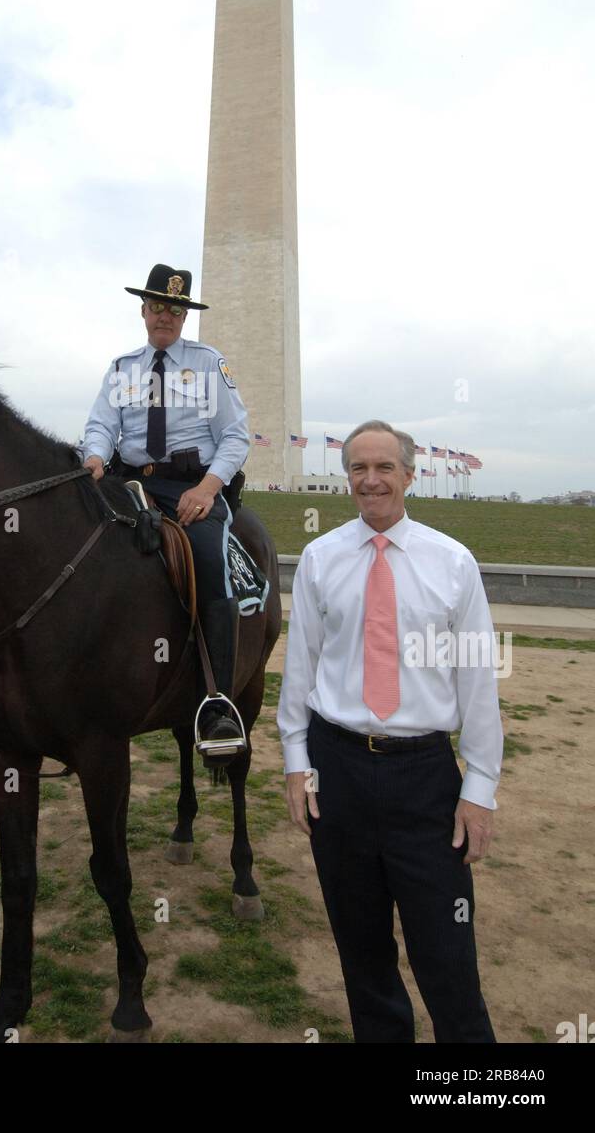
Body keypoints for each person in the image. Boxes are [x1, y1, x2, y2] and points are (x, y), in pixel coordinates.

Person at [278, 419, 503, 1043]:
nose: (370, 480)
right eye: (358, 469)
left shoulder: (453, 563)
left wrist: (479, 787)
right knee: (362, 951)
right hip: (338, 770)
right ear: (346, 476)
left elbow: (477, 683)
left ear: (408, 474)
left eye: (383, 468)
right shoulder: (321, 559)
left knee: (447, 953)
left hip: (423, 777)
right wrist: (297, 763)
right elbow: (302, 671)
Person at [81, 264, 250, 758]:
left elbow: (235, 435)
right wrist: (93, 457)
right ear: (143, 311)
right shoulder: (122, 368)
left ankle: (218, 702)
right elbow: (99, 426)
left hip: (188, 486)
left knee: (210, 562)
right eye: (157, 306)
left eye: (175, 309)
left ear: (184, 315)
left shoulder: (207, 362)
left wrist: (209, 487)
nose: (165, 316)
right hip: (128, 483)